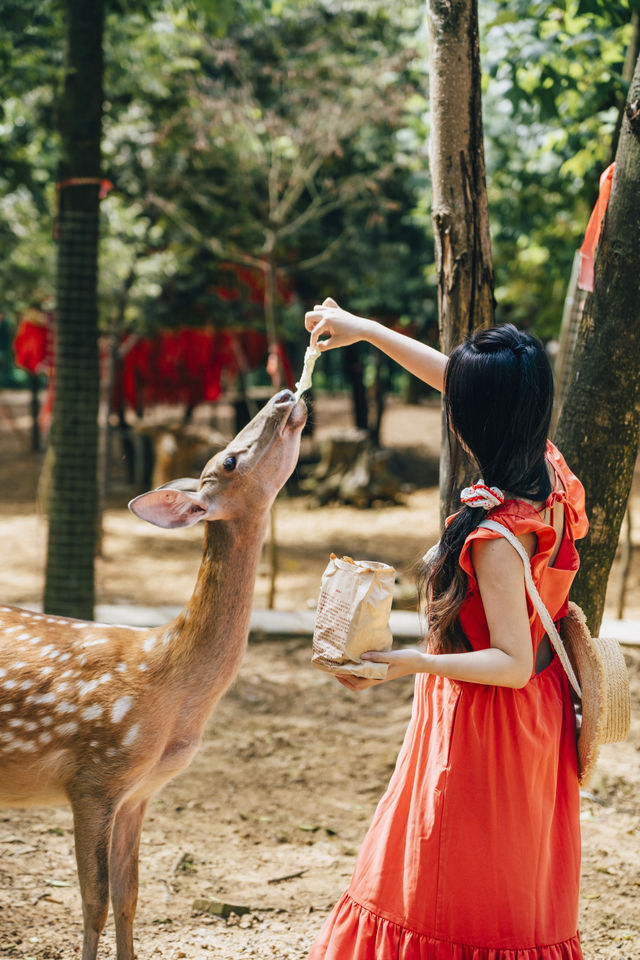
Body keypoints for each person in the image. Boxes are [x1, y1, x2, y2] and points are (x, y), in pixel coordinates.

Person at [303, 298, 587, 960]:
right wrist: (367, 332)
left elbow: (510, 661)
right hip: (535, 722)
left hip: (490, 726)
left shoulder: (496, 537)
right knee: (508, 895)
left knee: (448, 893)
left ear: (470, 419)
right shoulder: (551, 473)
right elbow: (466, 385)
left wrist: (407, 661)